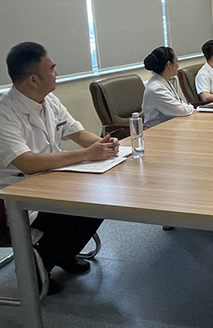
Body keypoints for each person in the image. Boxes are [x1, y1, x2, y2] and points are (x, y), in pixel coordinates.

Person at [0, 42, 120, 294]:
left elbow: (77, 133)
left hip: (53, 180)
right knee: (71, 213)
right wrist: (87, 154)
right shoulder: (4, 112)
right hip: (18, 191)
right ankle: (36, 271)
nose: (56, 73)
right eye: (51, 68)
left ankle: (64, 254)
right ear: (33, 79)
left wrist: (103, 144)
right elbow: (26, 162)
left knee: (102, 197)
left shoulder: (49, 100)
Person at [141, 46, 194, 128]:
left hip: (172, 125)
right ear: (169, 64)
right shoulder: (156, 88)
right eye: (176, 61)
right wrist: (191, 107)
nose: (178, 65)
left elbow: (179, 103)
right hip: (157, 130)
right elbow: (181, 110)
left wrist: (188, 108)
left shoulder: (164, 81)